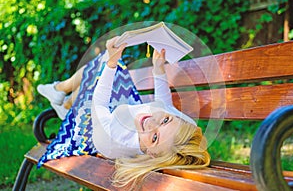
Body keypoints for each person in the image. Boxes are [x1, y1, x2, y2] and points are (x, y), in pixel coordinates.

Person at [37, 36, 210, 189]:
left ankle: (61, 94)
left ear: (151, 154)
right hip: (122, 111)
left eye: (154, 137)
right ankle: (64, 100)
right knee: (105, 61)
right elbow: (165, 106)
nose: (150, 123)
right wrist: (158, 70)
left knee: (105, 63)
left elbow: (99, 104)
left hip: (89, 123)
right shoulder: (181, 128)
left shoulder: (112, 140)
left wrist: (111, 64)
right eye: (165, 120)